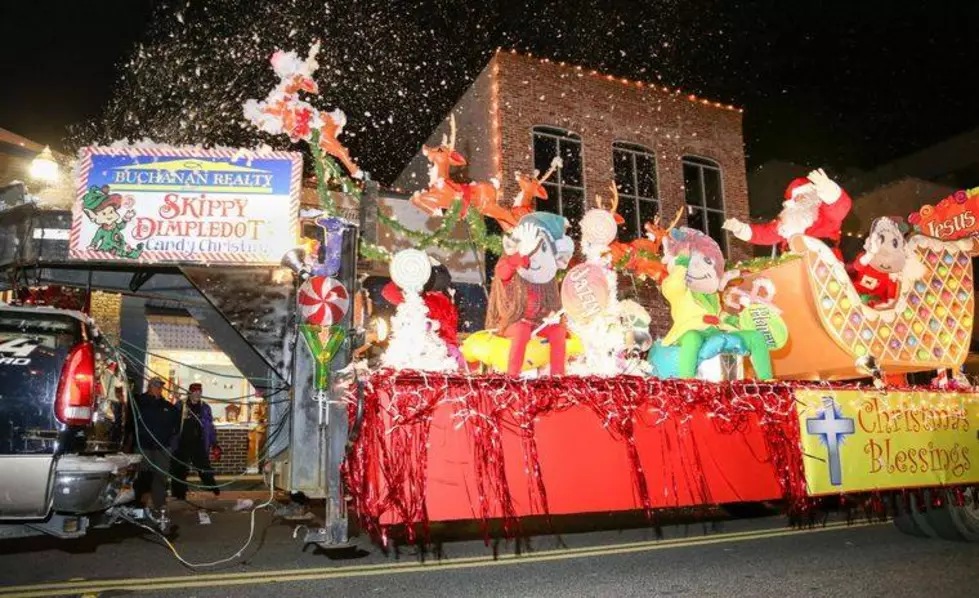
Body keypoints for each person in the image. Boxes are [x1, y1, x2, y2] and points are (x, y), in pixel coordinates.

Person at [722, 168, 852, 258]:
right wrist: (741, 228)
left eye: (804, 196)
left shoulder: (825, 213)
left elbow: (840, 207)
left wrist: (828, 189)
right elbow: (765, 233)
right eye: (797, 197)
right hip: (793, 263)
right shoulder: (787, 222)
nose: (800, 199)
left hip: (823, 262)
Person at [132, 377, 179, 517]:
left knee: (160, 477)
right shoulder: (139, 402)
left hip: (162, 447)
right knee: (143, 476)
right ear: (149, 386)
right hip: (144, 446)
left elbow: (176, 424)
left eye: (160, 386)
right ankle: (139, 506)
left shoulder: (167, 406)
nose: (158, 388)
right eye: (155, 385)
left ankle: (160, 506)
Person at [170, 383, 220, 501]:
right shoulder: (180, 405)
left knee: (204, 468)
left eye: (199, 392)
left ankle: (214, 491)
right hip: (182, 443)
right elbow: (172, 422)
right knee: (179, 469)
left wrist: (214, 443)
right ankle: (179, 495)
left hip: (198, 443)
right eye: (195, 391)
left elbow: (210, 427)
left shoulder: (205, 407)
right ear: (189, 392)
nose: (197, 394)